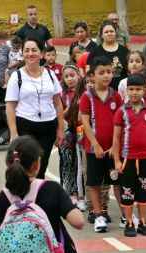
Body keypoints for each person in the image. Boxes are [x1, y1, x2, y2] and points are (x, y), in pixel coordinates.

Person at [6, 39, 65, 179]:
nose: (30, 54)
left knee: (41, 168)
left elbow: (58, 103)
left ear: (42, 54)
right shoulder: (17, 76)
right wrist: (14, 133)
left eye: (34, 50)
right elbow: (10, 106)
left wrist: (60, 129)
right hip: (26, 127)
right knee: (26, 167)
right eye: (26, 50)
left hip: (48, 127)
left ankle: (37, 198)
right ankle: (25, 198)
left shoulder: (50, 75)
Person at [79, 56, 123, 233]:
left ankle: (126, 215)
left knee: (117, 181)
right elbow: (85, 123)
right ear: (92, 76)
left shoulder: (117, 96)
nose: (106, 76)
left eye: (109, 72)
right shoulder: (86, 97)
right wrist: (95, 144)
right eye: (101, 72)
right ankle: (98, 215)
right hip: (93, 149)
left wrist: (115, 145)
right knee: (94, 182)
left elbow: (120, 123)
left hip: (114, 149)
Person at [112, 74, 146, 237]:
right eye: (131, 89)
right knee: (128, 190)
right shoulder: (121, 112)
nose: (135, 93)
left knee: (145, 189)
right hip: (127, 158)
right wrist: (117, 159)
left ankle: (143, 221)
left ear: (144, 90)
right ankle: (130, 222)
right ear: (126, 91)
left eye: (138, 89)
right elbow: (116, 137)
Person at [59, 65, 85, 207]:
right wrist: (71, 107)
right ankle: (71, 192)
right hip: (70, 130)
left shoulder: (86, 92)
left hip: (83, 130)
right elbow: (60, 115)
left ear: (78, 76)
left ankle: (83, 194)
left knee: (82, 163)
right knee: (68, 162)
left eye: (72, 75)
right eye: (66, 76)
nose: (70, 79)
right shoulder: (62, 95)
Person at [89, 20, 130, 90]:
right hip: (101, 89)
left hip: (121, 90)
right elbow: (90, 72)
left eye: (111, 31)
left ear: (115, 33)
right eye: (106, 32)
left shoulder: (124, 51)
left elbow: (129, 71)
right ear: (101, 35)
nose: (109, 33)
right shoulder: (95, 52)